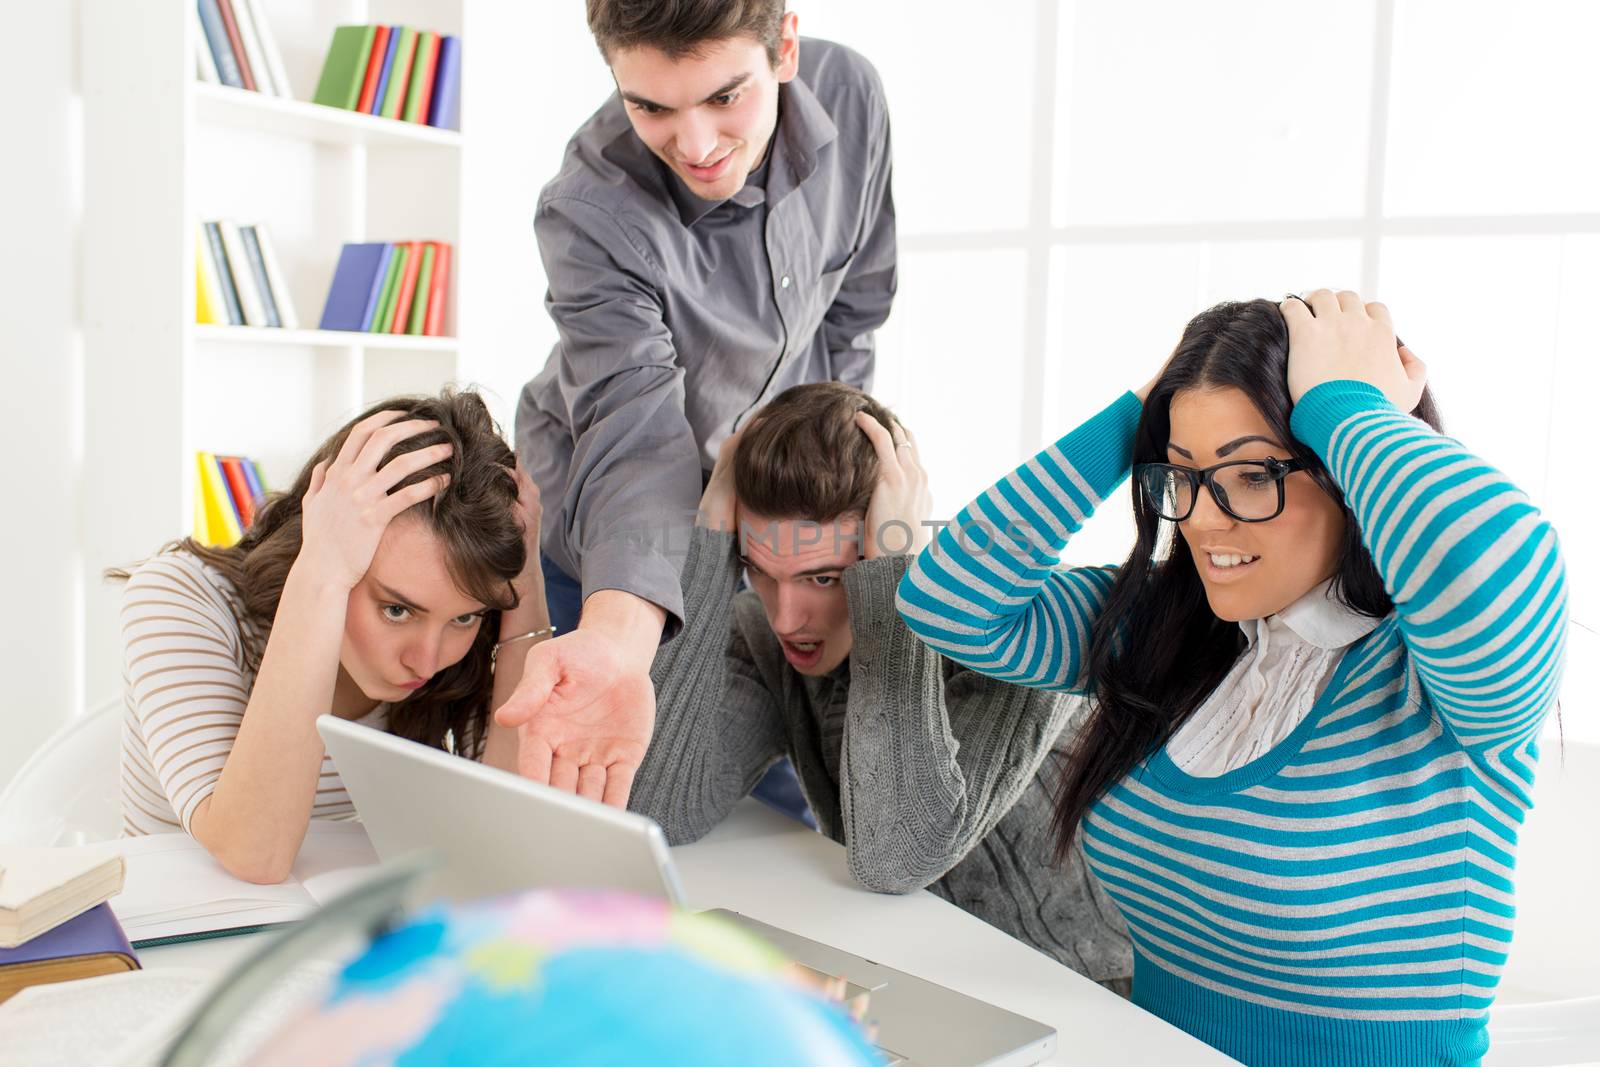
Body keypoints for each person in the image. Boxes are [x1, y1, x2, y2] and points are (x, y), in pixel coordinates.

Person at [896, 291, 1568, 1065]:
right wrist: (1141, 415)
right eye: (1184, 476)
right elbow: (946, 599)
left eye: (1251, 475)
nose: (1204, 520)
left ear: (1347, 472)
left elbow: (1497, 560)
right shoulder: (1167, 628)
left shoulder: (1446, 678)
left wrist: (1345, 402)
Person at [502, 0, 896, 815]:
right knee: (635, 806)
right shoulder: (589, 208)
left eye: (725, 97)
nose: (697, 145)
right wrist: (616, 639)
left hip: (757, 512)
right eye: (649, 106)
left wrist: (837, 476)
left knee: (790, 788)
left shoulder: (850, 94)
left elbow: (853, 308)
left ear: (783, 45)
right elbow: (638, 434)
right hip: (610, 529)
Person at [628, 382, 1134, 988]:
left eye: (822, 578)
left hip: (1081, 992)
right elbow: (657, 809)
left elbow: (896, 857)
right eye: (759, 572)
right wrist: (710, 542)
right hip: (901, 977)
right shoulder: (763, 633)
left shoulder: (1025, 626)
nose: (786, 617)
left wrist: (892, 577)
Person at [116, 391, 550, 884]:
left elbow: (507, 844)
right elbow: (253, 853)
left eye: (464, 618)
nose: (427, 662)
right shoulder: (181, 596)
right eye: (396, 609)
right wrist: (321, 570)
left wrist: (526, 587)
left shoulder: (465, 654)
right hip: (168, 945)